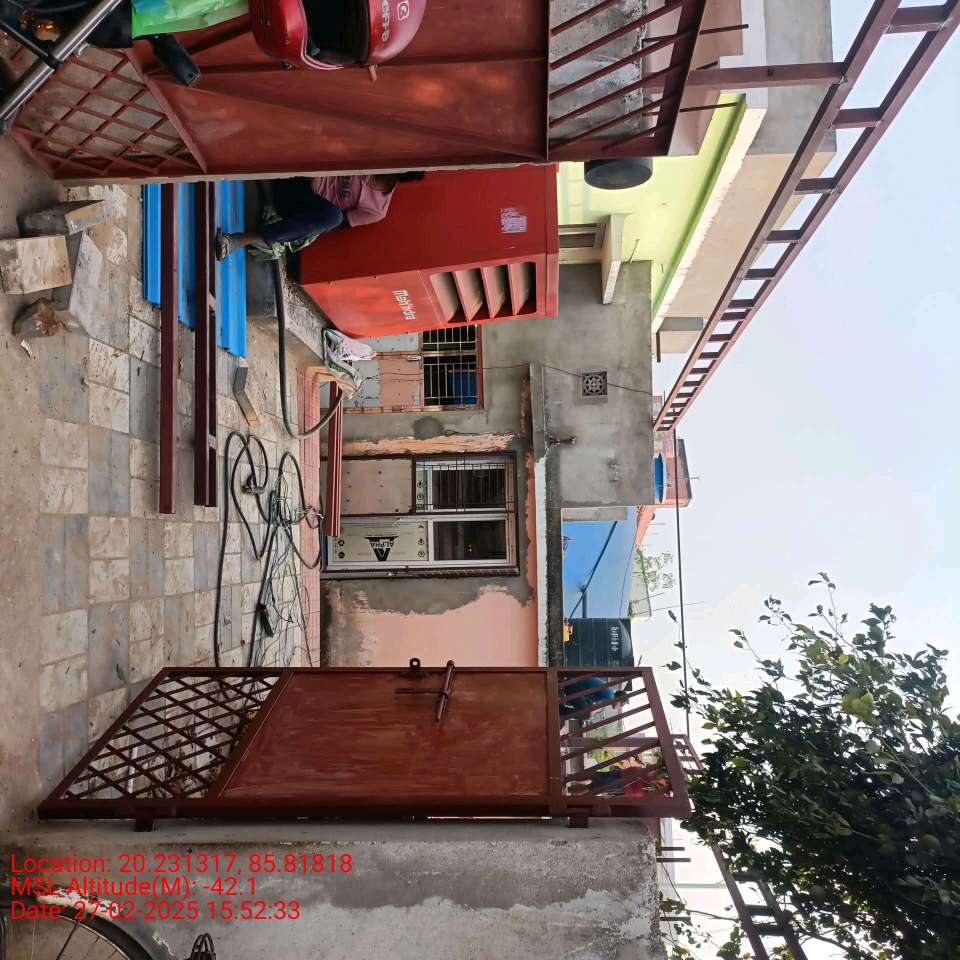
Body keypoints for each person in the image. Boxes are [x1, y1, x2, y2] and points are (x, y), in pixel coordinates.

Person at [215, 171, 426, 260]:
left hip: (300, 199)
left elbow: (338, 223)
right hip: (296, 169)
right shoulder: (372, 156)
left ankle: (238, 240)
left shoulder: (377, 208)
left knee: (333, 218)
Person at [559, 677, 629, 717]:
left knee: (588, 707)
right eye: (621, 705)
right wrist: (592, 713)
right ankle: (560, 710)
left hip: (573, 685)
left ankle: (562, 708)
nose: (619, 708)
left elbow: (595, 707)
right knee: (586, 715)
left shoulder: (610, 693)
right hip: (573, 687)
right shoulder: (610, 697)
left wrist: (594, 711)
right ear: (619, 700)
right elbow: (593, 710)